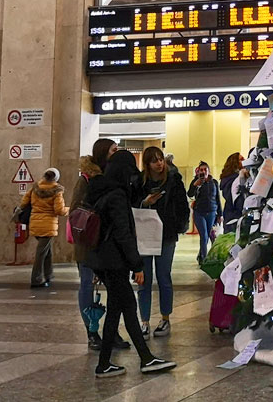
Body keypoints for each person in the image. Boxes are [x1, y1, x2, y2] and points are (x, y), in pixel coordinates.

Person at [85, 150, 175, 378]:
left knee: (117, 311)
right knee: (128, 309)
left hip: (101, 260)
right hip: (115, 262)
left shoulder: (98, 190)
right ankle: (146, 359)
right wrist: (137, 265)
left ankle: (105, 364)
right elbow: (123, 234)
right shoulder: (116, 195)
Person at [71, 138, 128, 352]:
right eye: (114, 149)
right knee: (87, 284)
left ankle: (111, 331)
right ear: (104, 152)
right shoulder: (86, 179)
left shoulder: (116, 177)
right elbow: (76, 211)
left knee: (115, 287)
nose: (117, 152)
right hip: (90, 243)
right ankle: (91, 331)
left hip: (110, 244)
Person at [134, 146, 188, 338]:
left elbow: (183, 206)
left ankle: (165, 318)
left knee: (164, 276)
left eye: (161, 159)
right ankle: (144, 321)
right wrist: (145, 203)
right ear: (147, 164)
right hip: (146, 235)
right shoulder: (138, 183)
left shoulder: (174, 180)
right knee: (144, 279)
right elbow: (132, 205)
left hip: (166, 234)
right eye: (154, 160)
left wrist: (178, 226)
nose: (159, 163)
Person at [19, 168, 68, 288]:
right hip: (48, 225)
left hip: (35, 223)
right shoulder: (57, 191)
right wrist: (69, 209)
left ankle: (48, 274)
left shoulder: (35, 188)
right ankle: (36, 280)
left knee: (47, 251)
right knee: (41, 253)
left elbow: (23, 202)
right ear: (55, 178)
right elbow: (59, 210)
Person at [187, 161, 219, 264]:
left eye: (205, 169)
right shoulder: (195, 182)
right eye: (201, 170)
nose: (203, 171)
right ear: (198, 172)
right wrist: (195, 185)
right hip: (199, 212)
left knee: (208, 235)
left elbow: (217, 198)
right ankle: (205, 259)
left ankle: (201, 255)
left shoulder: (214, 182)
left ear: (209, 171)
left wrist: (220, 214)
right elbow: (190, 194)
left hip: (212, 212)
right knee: (204, 235)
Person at [219, 152, 246, 231]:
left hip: (231, 213)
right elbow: (231, 197)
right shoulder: (231, 180)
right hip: (233, 215)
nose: (244, 160)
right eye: (241, 159)